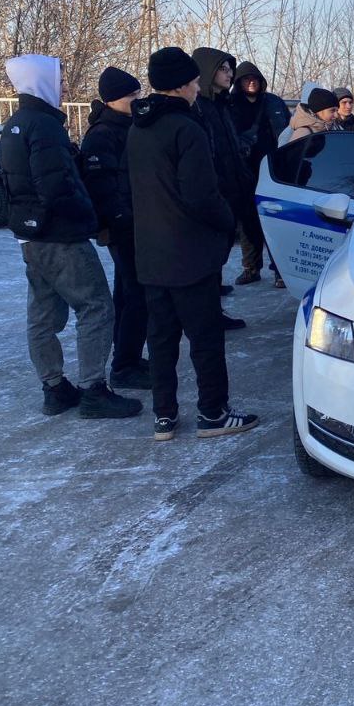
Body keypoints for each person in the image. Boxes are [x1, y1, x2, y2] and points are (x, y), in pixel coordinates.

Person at [0, 54, 141, 419]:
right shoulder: (44, 126)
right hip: (60, 235)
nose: (64, 88)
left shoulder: (16, 123)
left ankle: (54, 387)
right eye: (59, 81)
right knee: (96, 306)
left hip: (31, 237)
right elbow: (57, 185)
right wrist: (87, 217)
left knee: (44, 314)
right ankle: (94, 388)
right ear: (41, 83)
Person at [128, 47, 258, 441]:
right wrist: (227, 223)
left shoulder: (138, 128)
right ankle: (213, 412)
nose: (199, 86)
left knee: (162, 338)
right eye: (195, 80)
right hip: (190, 252)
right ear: (183, 84)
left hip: (151, 254)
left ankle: (164, 416)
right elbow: (202, 194)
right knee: (205, 338)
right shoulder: (187, 129)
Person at [77, 67, 150, 390]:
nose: (137, 99)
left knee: (128, 294)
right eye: (131, 95)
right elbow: (102, 186)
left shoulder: (129, 126)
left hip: (135, 222)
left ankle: (128, 356)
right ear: (112, 100)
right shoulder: (102, 134)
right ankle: (124, 365)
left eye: (137, 93)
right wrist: (123, 221)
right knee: (136, 296)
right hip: (124, 227)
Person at [191, 47, 250, 328]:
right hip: (216, 192)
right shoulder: (199, 107)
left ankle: (211, 306)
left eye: (230, 69)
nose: (230, 74)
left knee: (221, 251)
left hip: (232, 189)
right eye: (223, 69)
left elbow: (230, 146)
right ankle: (208, 313)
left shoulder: (221, 105)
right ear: (208, 71)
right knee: (211, 254)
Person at [229, 61, 289, 286]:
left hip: (272, 169)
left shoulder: (273, 102)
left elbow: (287, 131)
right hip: (244, 170)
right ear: (239, 82)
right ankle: (251, 268)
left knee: (273, 221)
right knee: (248, 222)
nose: (251, 82)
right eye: (246, 78)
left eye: (255, 78)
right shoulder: (231, 105)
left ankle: (280, 270)